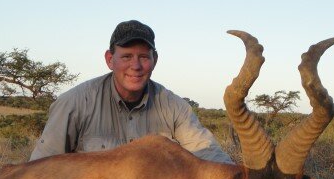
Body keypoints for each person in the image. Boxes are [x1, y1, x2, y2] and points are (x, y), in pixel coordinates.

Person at [29, 20, 233, 164]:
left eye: (143, 57)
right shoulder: (74, 103)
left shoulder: (175, 107)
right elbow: (39, 170)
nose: (136, 66)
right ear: (110, 59)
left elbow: (208, 152)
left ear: (155, 60)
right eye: (126, 56)